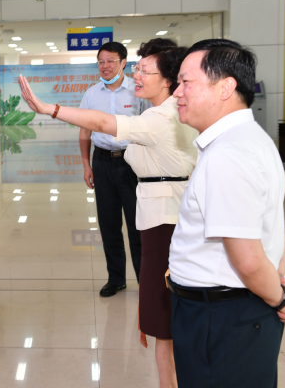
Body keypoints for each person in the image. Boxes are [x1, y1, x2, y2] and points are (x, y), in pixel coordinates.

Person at [18, 39, 198, 388]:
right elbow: (94, 126)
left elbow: (102, 122)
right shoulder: (169, 110)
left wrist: (47, 108)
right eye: (137, 68)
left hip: (166, 221)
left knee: (165, 320)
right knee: (164, 322)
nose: (136, 75)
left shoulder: (161, 116)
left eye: (144, 70)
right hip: (161, 211)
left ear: (168, 80)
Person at [167, 39, 285, 388]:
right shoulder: (252, 139)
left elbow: (249, 261)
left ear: (225, 87)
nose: (176, 92)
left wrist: (282, 299)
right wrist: (277, 284)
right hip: (237, 312)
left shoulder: (229, 154)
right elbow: (272, 228)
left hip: (221, 320)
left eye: (186, 82)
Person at [79, 41, 143, 297]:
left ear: (123, 63)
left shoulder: (138, 91)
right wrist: (87, 164)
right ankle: (116, 278)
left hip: (133, 163)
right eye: (101, 62)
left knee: (138, 225)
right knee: (108, 224)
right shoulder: (91, 94)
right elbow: (84, 131)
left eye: (110, 61)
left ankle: (144, 280)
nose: (105, 66)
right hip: (102, 161)